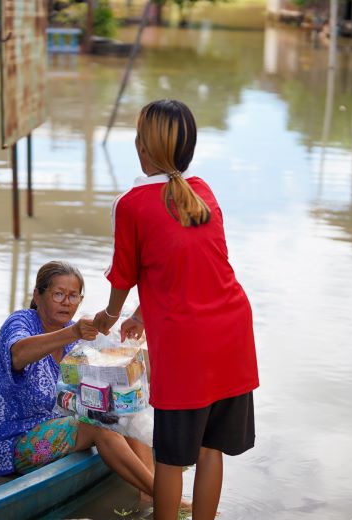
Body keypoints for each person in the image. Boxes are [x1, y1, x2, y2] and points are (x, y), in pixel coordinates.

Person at [93, 99, 260, 520]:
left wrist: (108, 319)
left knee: (169, 457)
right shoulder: (202, 193)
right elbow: (188, 269)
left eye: (136, 136)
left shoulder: (131, 203)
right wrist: (140, 317)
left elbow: (122, 278)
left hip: (186, 345)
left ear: (144, 148)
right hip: (230, 334)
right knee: (210, 448)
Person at [0, 260, 156, 502]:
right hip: (10, 443)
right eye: (58, 294)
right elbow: (18, 355)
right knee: (98, 424)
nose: (67, 302)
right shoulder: (21, 323)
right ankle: (166, 497)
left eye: (73, 296)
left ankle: (148, 492)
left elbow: (95, 384)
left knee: (121, 407)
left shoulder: (75, 334)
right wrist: (73, 333)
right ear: (37, 296)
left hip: (54, 426)